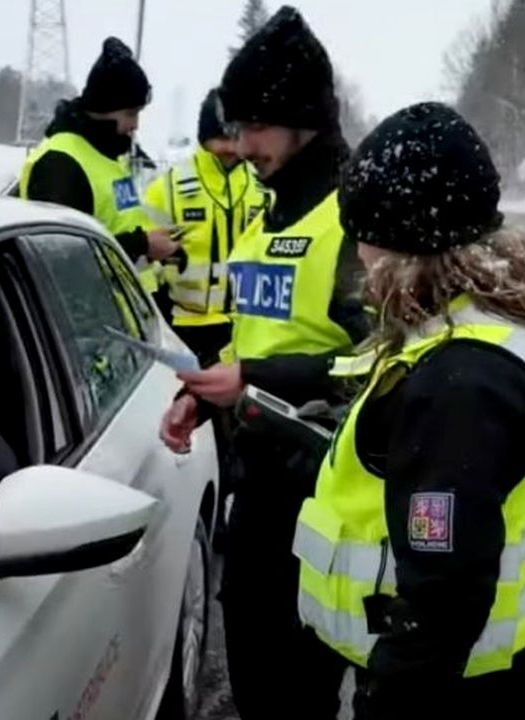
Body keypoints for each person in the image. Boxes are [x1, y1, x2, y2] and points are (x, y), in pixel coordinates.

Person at [291, 102, 525, 719]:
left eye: (362, 234)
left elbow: (446, 596)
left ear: (401, 242)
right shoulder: (510, 313)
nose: (359, 255)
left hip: (448, 691)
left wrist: (394, 698)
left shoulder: (460, 384)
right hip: (504, 667)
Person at [160, 7, 369, 718]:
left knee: (296, 693)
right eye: (237, 126)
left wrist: (256, 379)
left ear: (303, 120)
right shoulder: (266, 211)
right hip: (258, 477)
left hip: (327, 492)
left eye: (255, 126)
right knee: (254, 674)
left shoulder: (353, 218)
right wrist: (210, 387)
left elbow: (384, 363)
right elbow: (256, 334)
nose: (242, 143)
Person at [18, 37, 181, 269]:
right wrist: (141, 245)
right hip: (87, 304)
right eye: (131, 114)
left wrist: (152, 248)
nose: (136, 125)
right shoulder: (61, 164)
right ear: (105, 109)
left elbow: (117, 226)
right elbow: (62, 257)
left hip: (118, 302)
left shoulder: (108, 156)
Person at [142, 88, 268, 367]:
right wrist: (159, 316)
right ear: (204, 138)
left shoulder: (264, 189)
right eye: (222, 139)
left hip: (248, 332)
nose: (230, 149)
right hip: (184, 329)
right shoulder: (168, 189)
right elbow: (143, 267)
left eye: (236, 138)